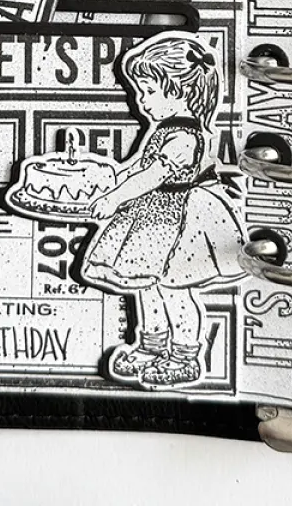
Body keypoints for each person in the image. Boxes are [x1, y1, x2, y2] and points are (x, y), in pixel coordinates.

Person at [83, 31, 245, 389]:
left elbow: (152, 176)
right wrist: (109, 179)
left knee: (175, 289)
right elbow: (137, 166)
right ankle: (151, 346)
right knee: (146, 286)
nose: (140, 100)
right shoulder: (163, 129)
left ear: (179, 92)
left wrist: (115, 198)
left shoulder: (184, 137)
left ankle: (184, 356)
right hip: (152, 221)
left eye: (148, 91)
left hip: (181, 221)